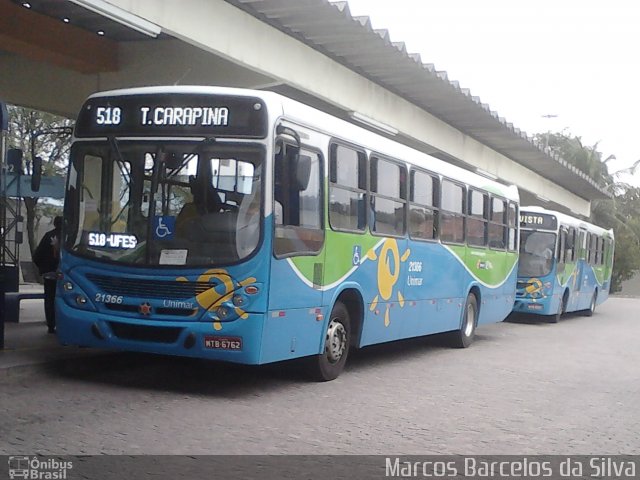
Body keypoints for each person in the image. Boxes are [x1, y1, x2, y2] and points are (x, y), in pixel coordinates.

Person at [32, 216, 62, 333]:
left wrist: (43, 269)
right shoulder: (69, 237)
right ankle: (62, 322)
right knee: (62, 298)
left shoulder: (47, 236)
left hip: (49, 273)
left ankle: (51, 324)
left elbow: (37, 255)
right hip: (65, 274)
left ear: (54, 224)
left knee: (49, 298)